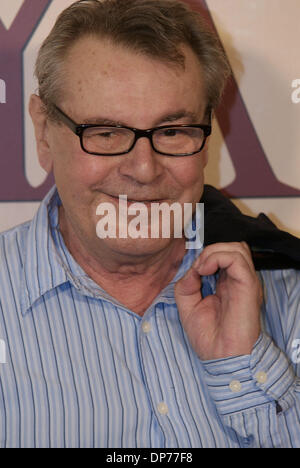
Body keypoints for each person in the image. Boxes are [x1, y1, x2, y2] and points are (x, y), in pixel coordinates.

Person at [0, 0, 299, 448]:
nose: (143, 169)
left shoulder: (285, 292)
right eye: (105, 133)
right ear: (43, 132)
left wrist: (243, 367)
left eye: (173, 131)